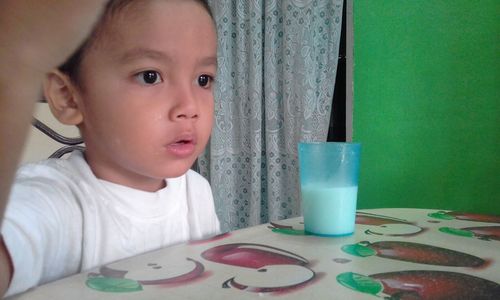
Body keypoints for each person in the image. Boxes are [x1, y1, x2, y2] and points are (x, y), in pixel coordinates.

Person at [0, 0, 220, 297]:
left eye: (203, 80)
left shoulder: (197, 194)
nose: (189, 107)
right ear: (69, 97)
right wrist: (15, 69)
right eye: (150, 76)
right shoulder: (54, 203)